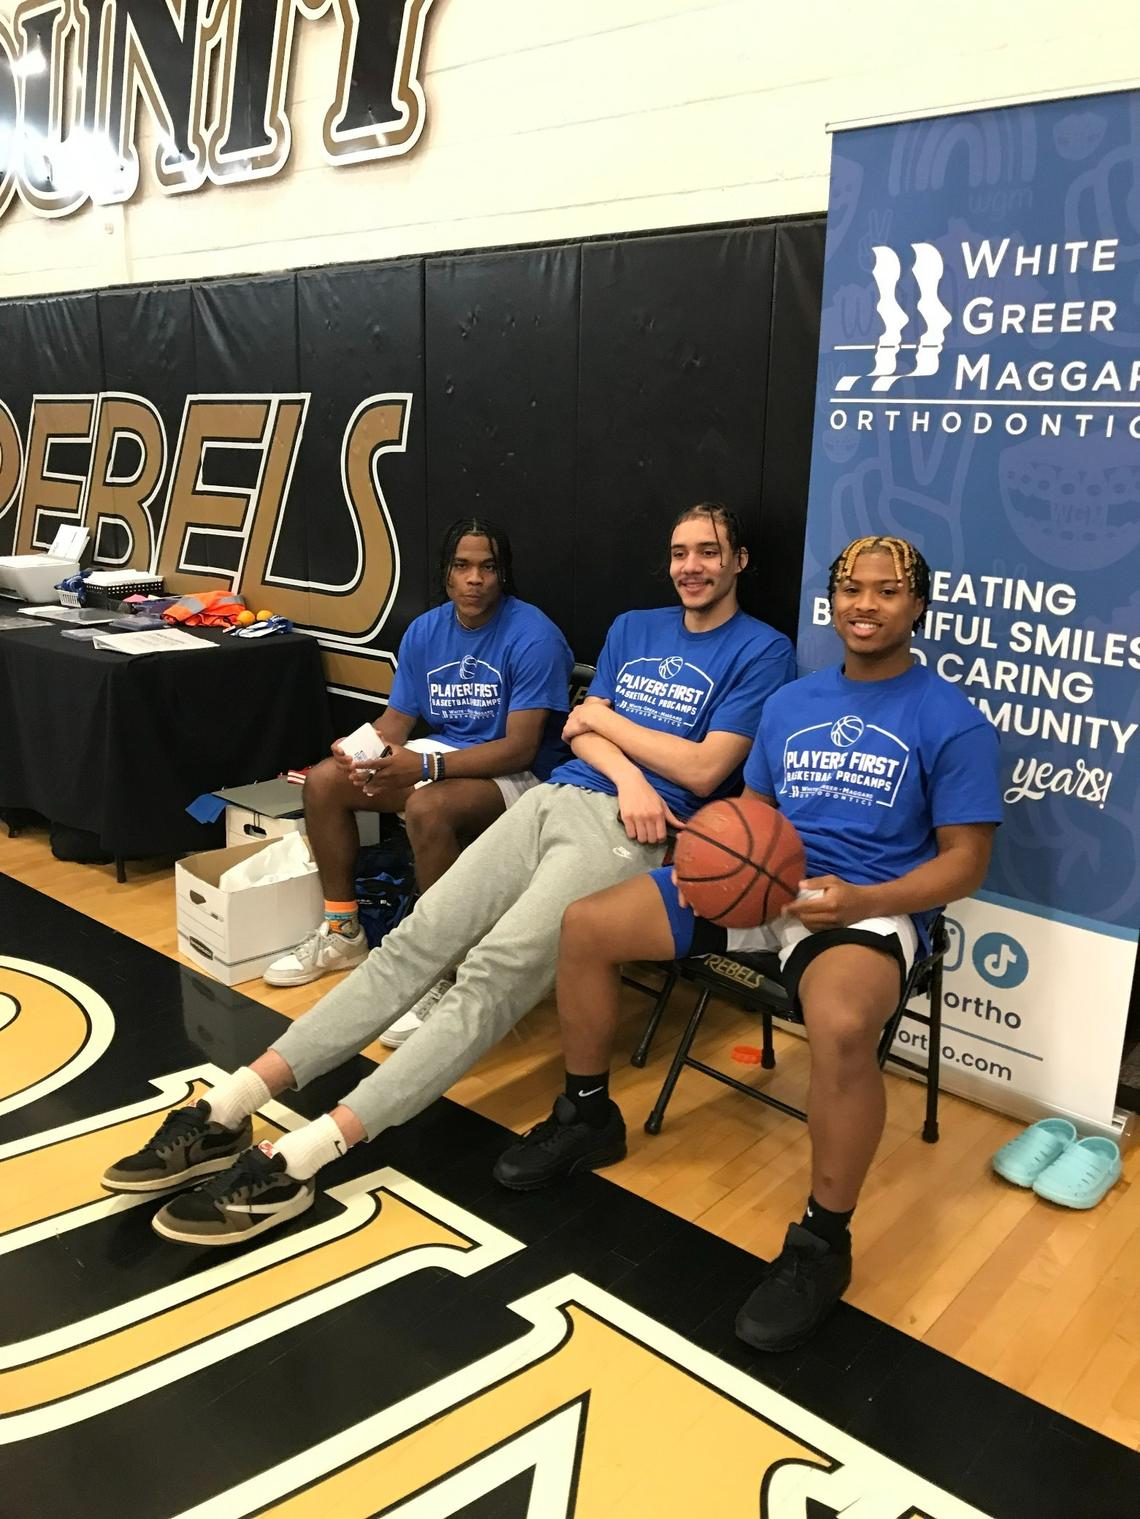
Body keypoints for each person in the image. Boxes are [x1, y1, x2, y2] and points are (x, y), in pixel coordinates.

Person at [101, 504, 796, 1249]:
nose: (691, 565)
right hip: (569, 796)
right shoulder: (634, 626)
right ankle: (232, 1104)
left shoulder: (763, 649)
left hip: (634, 836)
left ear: (739, 562)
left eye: (708, 552)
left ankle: (301, 1157)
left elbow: (703, 766)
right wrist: (623, 765)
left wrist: (608, 734)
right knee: (412, 941)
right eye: (680, 551)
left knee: (491, 979)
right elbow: (576, 730)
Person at [493, 534, 1002, 1352]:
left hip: (866, 904)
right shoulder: (793, 703)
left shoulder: (951, 720)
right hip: (762, 881)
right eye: (851, 590)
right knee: (586, 925)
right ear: (831, 602)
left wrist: (865, 899)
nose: (865, 606)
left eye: (887, 592)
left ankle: (820, 1243)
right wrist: (703, 855)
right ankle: (587, 1115)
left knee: (838, 1028)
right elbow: (750, 819)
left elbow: (966, 865)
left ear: (917, 606)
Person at [264, 517, 573, 1056]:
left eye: (487, 567)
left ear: (503, 575)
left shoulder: (535, 635)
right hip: (445, 757)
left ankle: (444, 972)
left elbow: (522, 748)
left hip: (520, 778)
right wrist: (362, 748)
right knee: (325, 782)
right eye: (462, 566)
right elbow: (397, 722)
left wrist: (424, 770)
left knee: (429, 808)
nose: (474, 578)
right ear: (446, 574)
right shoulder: (426, 630)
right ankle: (342, 932)